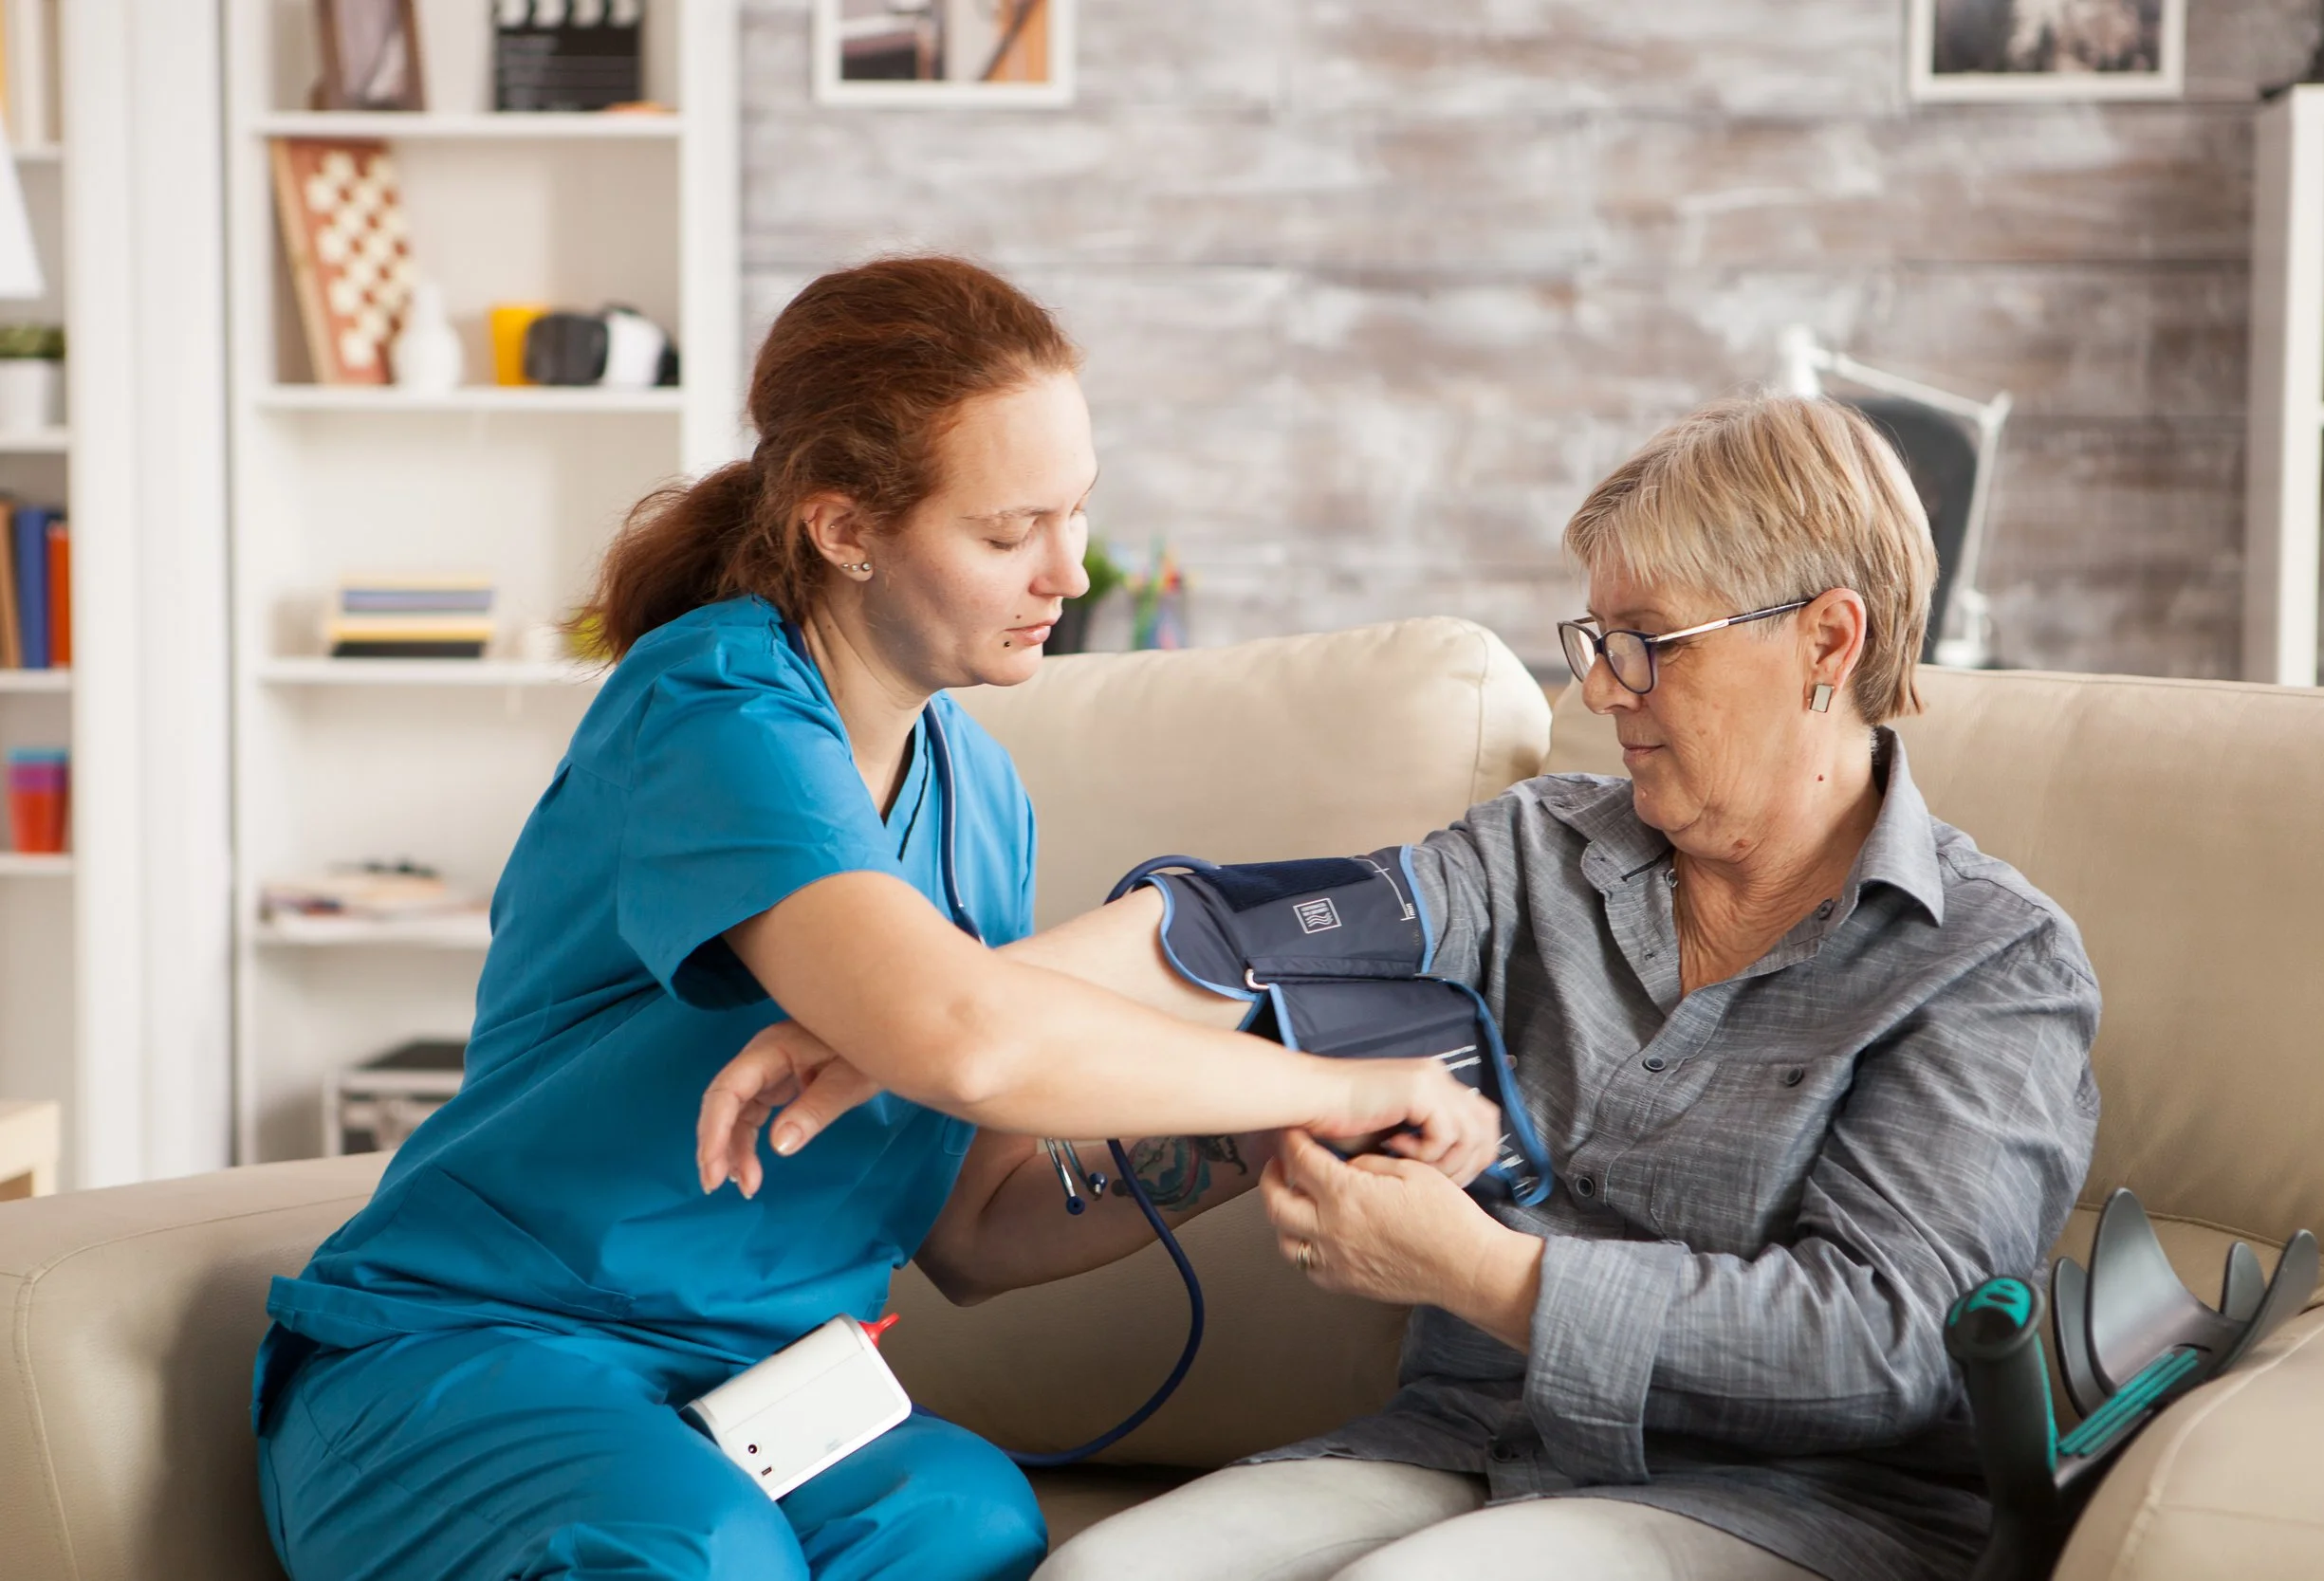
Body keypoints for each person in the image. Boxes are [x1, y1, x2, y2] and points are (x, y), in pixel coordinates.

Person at [249, 256, 1502, 1581]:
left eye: (1077, 514)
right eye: (1009, 530)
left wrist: (1254, 1135)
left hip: (755, 1395)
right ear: (845, 529)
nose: (1067, 572)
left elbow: (977, 1226)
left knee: (962, 1516)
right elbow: (960, 1035)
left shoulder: (981, 791)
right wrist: (1330, 1076)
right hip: (483, 1356)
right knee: (694, 1550)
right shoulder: (715, 719)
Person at [707, 394, 2102, 1581]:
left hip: (1792, 1504)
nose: (1609, 688)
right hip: (1456, 1447)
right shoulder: (1540, 847)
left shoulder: (1988, 964)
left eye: (1650, 642)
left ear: (1828, 639)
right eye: (1595, 639)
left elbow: (1887, 1345)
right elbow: (1228, 934)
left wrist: (1487, 1274)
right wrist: (900, 1025)